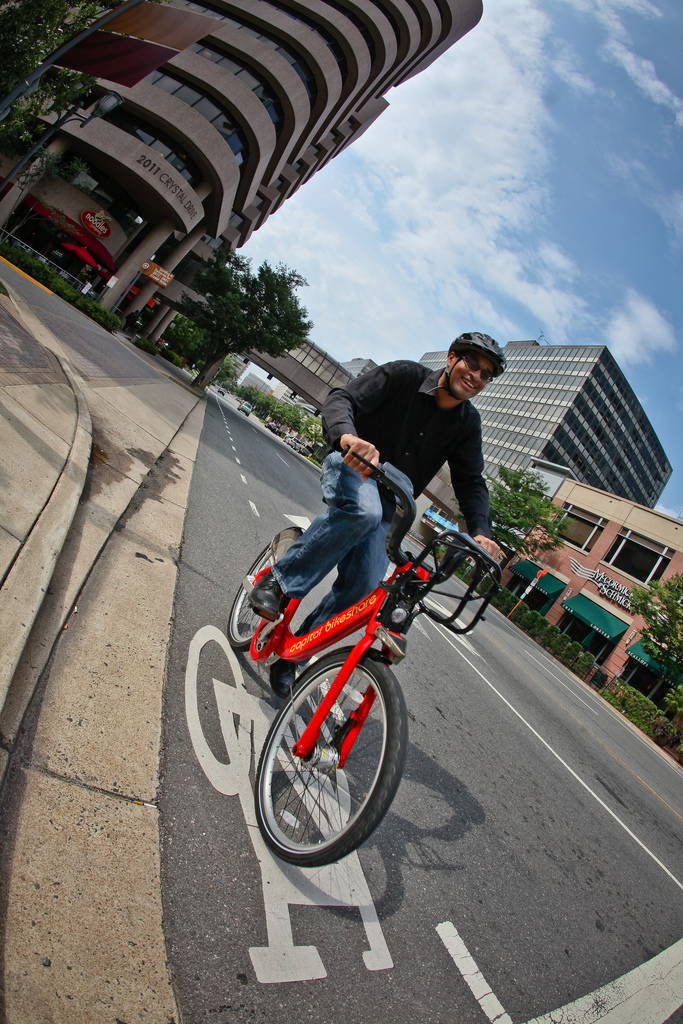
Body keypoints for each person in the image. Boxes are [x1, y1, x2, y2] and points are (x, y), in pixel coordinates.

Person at [249, 332, 506, 696]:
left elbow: (470, 481)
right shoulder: (405, 375)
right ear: (451, 358)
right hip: (352, 467)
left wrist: (481, 531)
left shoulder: (467, 425)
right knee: (364, 511)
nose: (477, 376)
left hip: (392, 505)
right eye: (473, 365)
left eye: (487, 375)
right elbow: (342, 398)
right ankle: (277, 581)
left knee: (365, 585)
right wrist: (349, 438)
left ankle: (294, 655)